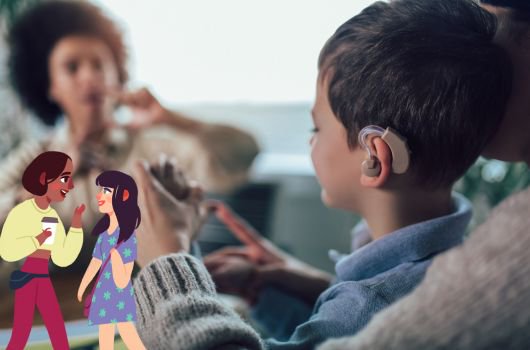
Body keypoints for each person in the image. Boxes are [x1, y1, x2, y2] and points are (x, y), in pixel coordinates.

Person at [128, 0, 512, 348]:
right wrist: (268, 292)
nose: (312, 141)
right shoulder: (451, 268)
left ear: (375, 158)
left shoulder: (372, 300)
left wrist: (168, 259)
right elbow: (329, 337)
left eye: (316, 128)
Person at [315, 0, 530, 349]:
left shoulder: (517, 254)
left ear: (375, 156)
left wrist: (189, 259)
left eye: (316, 128)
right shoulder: (459, 266)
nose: (478, 49)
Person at [0, 0, 259, 234]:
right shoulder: (33, 158)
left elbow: (245, 154)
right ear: (50, 87)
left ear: (118, 75)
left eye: (99, 64)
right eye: (72, 67)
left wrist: (172, 119)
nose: (89, 77)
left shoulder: (154, 148)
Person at [0, 151, 85, 350]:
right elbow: (9, 250)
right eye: (65, 179)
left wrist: (75, 228)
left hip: (45, 282)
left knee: (57, 332)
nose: (70, 185)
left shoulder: (53, 218)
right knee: (22, 335)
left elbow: (63, 257)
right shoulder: (18, 212)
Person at [77, 170, 145, 349]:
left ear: (124, 196)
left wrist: (115, 259)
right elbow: (95, 262)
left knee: (127, 333)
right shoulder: (104, 234)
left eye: (106, 191)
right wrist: (83, 286)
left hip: (119, 294)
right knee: (105, 336)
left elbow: (124, 279)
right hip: (102, 293)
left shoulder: (128, 236)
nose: (99, 195)